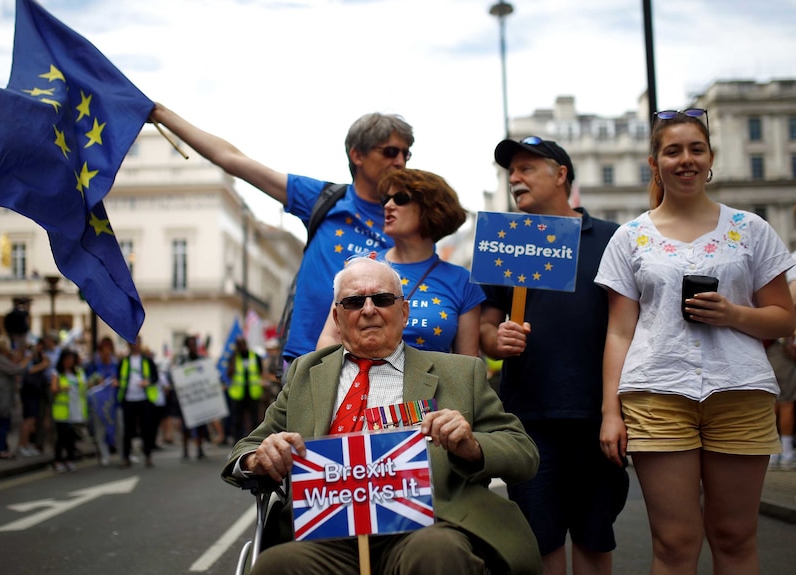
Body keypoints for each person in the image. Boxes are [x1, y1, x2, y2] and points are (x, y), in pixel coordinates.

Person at [221, 257, 542, 575]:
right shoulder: (306, 373)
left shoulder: (459, 372)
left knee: (436, 553)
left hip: (425, 529)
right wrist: (258, 457)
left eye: (383, 299)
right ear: (337, 315)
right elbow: (247, 449)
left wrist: (472, 446)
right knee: (276, 565)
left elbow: (523, 452)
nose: (369, 309)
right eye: (354, 301)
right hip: (325, 537)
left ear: (404, 312)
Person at [596, 109, 796, 574]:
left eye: (695, 149)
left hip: (739, 392)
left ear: (710, 159)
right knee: (674, 542)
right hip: (656, 395)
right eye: (673, 150)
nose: (685, 159)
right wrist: (610, 412)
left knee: (734, 536)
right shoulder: (630, 237)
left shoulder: (750, 229)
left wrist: (734, 313)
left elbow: (784, 319)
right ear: (655, 163)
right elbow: (619, 331)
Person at [150, 104, 414, 364]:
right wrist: (162, 114)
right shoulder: (323, 199)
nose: (400, 161)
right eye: (391, 152)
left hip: (383, 362)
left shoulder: (411, 216)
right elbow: (232, 159)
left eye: (406, 153)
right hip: (309, 358)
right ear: (358, 155)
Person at [479, 137, 628, 574]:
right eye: (510, 172)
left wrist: (613, 409)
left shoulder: (611, 239)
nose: (514, 178)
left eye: (526, 168)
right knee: (538, 540)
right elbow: (486, 326)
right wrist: (496, 339)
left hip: (596, 414)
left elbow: (628, 327)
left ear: (561, 174)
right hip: (527, 421)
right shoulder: (505, 240)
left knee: (594, 537)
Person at [317, 168, 483, 356]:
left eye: (401, 198)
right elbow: (330, 337)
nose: (388, 205)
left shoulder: (462, 281)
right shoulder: (363, 265)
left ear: (431, 208)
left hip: (432, 384)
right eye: (385, 199)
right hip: (364, 382)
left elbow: (467, 364)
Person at [767, 252, 796, 470]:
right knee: (785, 402)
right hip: (784, 348)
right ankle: (783, 452)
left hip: (777, 346)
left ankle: (777, 450)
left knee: (779, 401)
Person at [0, 335, 30, 459]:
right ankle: (1, 449)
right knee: (4, 423)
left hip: (2, 396)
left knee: (3, 423)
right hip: (1, 398)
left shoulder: (1, 358)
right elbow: (16, 370)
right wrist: (26, 361)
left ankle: (1, 447)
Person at [117, 336, 160, 468]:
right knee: (128, 430)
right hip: (128, 399)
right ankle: (126, 457)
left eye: (136, 342)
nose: (134, 345)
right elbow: (119, 377)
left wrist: (148, 382)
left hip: (144, 398)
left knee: (146, 429)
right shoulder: (124, 361)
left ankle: (148, 456)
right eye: (131, 342)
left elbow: (155, 377)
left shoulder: (147, 360)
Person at [83, 336, 120, 467]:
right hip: (98, 405)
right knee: (100, 431)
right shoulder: (92, 365)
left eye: (108, 351)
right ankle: (105, 455)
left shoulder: (116, 364)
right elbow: (86, 382)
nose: (106, 354)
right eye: (103, 352)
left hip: (113, 403)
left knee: (117, 430)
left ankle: (122, 454)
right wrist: (95, 382)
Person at [50, 348, 87, 472]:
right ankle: (57, 460)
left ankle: (70, 459)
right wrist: (62, 388)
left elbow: (84, 388)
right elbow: (53, 389)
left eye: (72, 359)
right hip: (62, 411)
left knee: (71, 437)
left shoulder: (78, 372)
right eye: (67, 359)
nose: (69, 362)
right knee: (61, 437)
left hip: (75, 409)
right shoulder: (57, 373)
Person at [226, 336, 263, 441]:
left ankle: (254, 441)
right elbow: (229, 373)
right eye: (238, 344)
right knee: (237, 421)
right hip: (238, 394)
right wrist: (234, 356)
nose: (241, 346)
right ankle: (237, 443)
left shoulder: (254, 356)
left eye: (242, 344)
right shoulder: (234, 358)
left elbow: (260, 372)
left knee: (254, 420)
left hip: (253, 393)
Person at [18, 339, 50, 457]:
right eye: (39, 346)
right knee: (28, 420)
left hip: (35, 391)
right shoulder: (30, 356)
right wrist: (43, 365)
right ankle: (23, 446)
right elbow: (29, 369)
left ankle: (26, 445)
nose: (40, 348)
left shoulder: (39, 356)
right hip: (29, 391)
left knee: (32, 420)